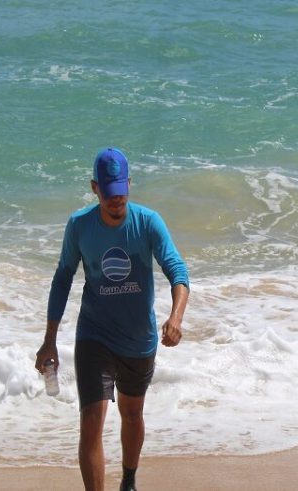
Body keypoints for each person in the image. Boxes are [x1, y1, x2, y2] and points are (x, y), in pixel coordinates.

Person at [35, 147, 189, 491]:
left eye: (121, 193)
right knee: (91, 421)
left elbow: (177, 270)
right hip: (95, 334)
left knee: (132, 414)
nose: (116, 201)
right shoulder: (80, 226)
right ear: (94, 188)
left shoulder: (148, 222)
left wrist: (176, 317)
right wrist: (49, 339)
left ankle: (129, 480)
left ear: (130, 185)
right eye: (109, 195)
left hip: (139, 338)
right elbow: (63, 278)